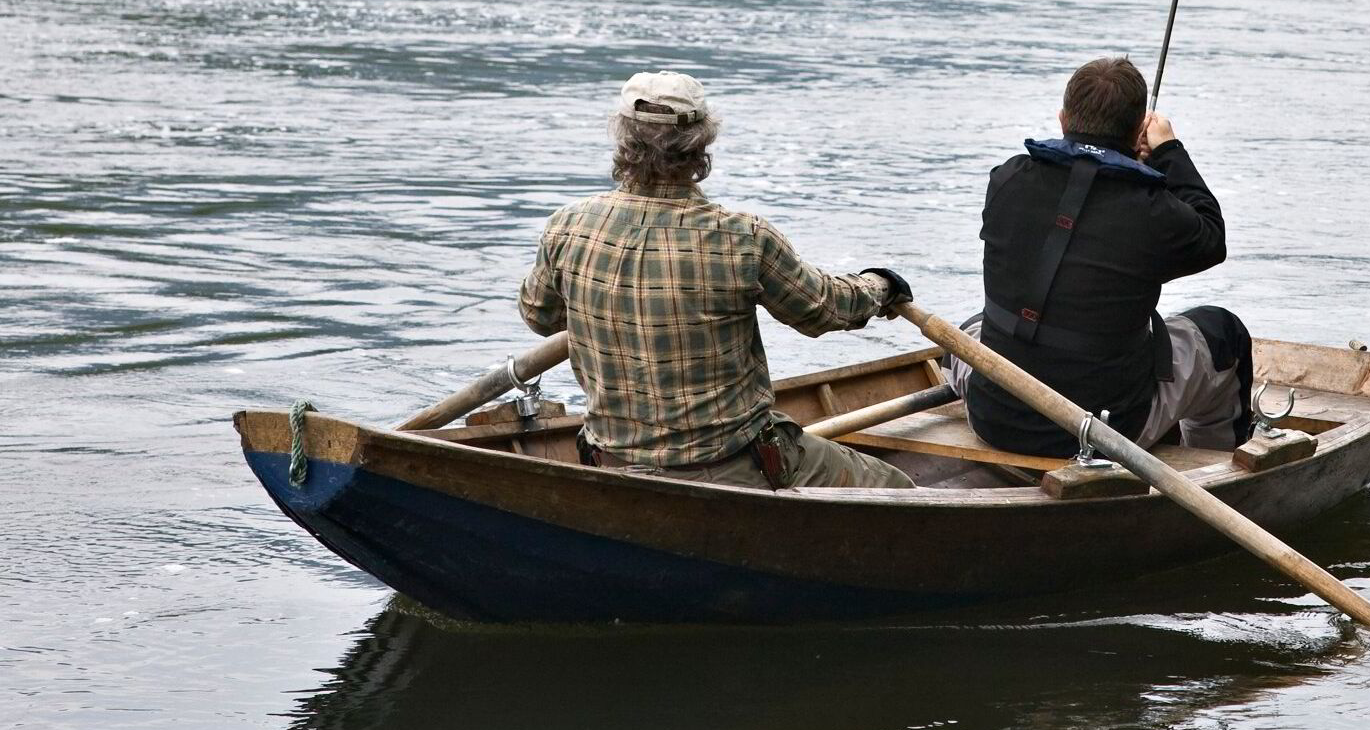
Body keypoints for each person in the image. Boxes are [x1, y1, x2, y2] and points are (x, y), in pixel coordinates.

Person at [518, 71, 916, 490]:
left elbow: (540, 317)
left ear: (623, 139)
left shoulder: (568, 227)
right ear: (701, 145)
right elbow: (824, 310)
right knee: (899, 489)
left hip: (611, 456)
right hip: (731, 462)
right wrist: (880, 286)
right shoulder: (742, 237)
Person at [951, 56, 1253, 458]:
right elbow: (1211, 237)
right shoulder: (1154, 212)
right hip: (1107, 429)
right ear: (1137, 131)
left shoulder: (1006, 179)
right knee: (1224, 334)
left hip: (994, 417)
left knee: (969, 329)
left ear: (1062, 120)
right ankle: (1212, 464)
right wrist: (1167, 152)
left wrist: (1126, 165)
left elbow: (1078, 205)